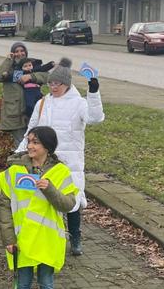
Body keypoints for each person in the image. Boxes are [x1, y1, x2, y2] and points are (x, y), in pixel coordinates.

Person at [0, 127, 78, 289]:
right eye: (30, 141)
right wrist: (8, 237)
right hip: (22, 239)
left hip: (47, 239)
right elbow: (5, 205)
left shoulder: (60, 172)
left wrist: (50, 189)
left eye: (36, 143)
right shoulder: (14, 170)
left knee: (46, 285)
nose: (31, 146)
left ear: (48, 147)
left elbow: (69, 205)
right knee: (22, 284)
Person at [17, 57, 104, 256]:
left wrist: (93, 91)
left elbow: (95, 118)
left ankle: (75, 236)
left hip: (69, 162)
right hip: (43, 161)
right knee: (44, 199)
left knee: (71, 201)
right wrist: (19, 153)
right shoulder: (42, 103)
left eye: (58, 84)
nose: (54, 87)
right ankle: (45, 237)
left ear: (67, 84)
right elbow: (31, 131)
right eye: (51, 83)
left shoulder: (79, 103)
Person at [0, 42, 51, 151]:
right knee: (21, 145)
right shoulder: (9, 67)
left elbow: (46, 76)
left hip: (33, 111)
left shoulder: (32, 64)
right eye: (16, 51)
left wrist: (31, 76)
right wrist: (8, 60)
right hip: (15, 112)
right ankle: (22, 166)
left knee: (37, 144)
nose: (20, 53)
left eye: (22, 50)